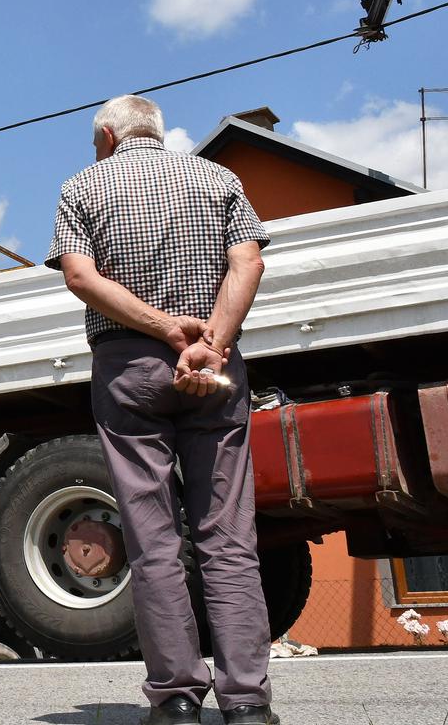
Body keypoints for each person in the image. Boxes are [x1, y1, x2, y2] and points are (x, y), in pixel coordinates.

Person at [47, 95, 274, 725]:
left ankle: (176, 698)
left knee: (154, 540)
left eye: (98, 142)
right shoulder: (218, 177)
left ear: (111, 135)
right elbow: (249, 260)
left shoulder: (83, 186)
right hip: (216, 366)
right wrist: (210, 347)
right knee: (228, 538)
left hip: (129, 372)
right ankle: (248, 705)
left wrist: (166, 332)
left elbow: (80, 278)